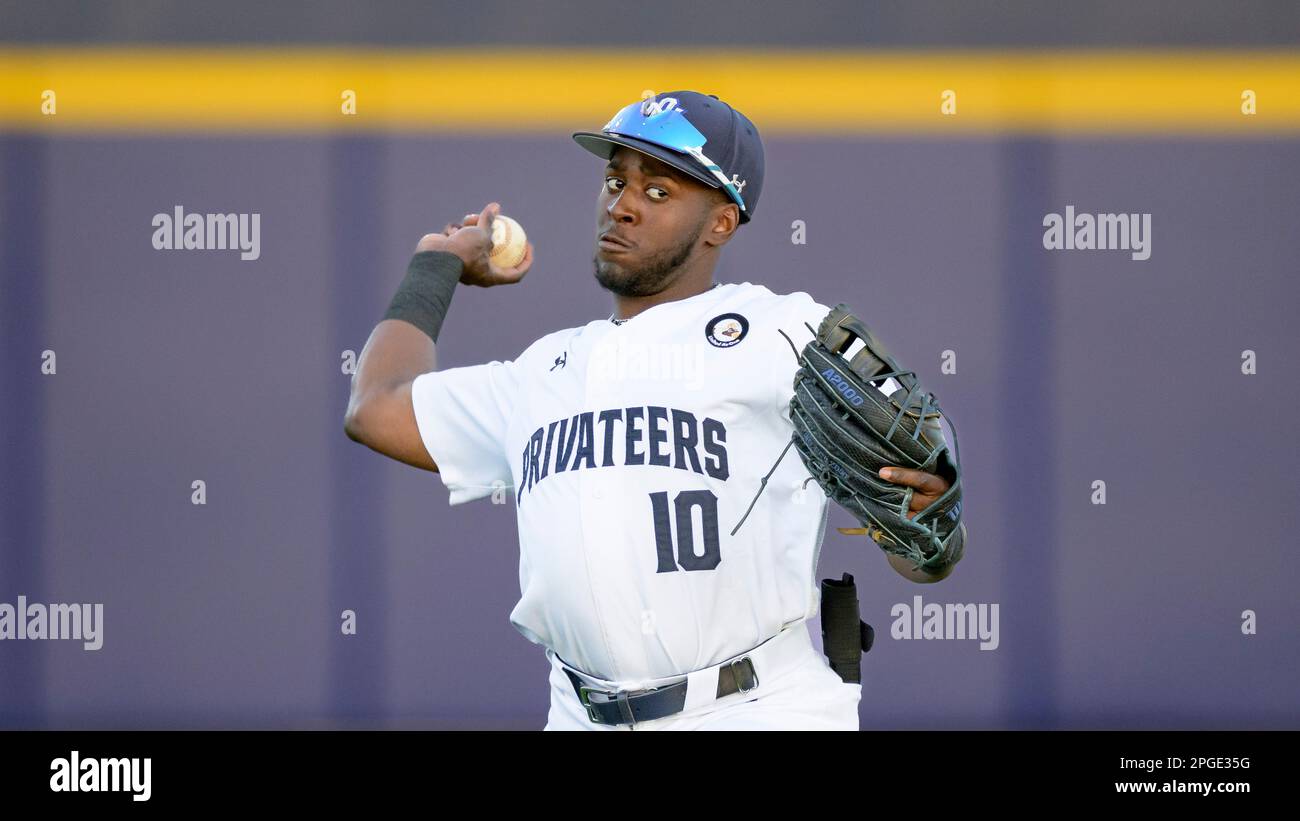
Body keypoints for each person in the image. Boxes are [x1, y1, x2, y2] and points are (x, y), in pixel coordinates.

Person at [343, 91, 957, 731]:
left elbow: (922, 536)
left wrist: (923, 531)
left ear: (721, 221)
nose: (623, 205)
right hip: (579, 714)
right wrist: (436, 263)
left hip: (755, 709)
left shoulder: (786, 334)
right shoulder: (542, 371)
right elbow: (375, 408)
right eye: (616, 181)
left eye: (658, 191)